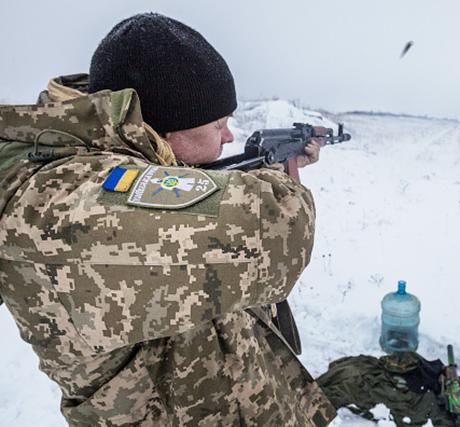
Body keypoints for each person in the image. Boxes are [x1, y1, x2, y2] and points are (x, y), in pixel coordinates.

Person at [0, 12, 335, 426]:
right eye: (217, 123)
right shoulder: (61, 195)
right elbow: (278, 231)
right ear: (161, 131)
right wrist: (275, 177)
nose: (229, 136)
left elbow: (176, 199)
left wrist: (269, 168)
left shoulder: (115, 160)